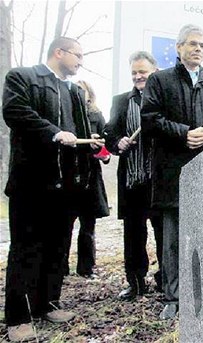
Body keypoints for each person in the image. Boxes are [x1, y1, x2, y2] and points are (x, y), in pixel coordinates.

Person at [2, 37, 103, 342]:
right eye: (77, 55)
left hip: (67, 187)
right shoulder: (23, 77)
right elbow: (15, 112)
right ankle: (18, 318)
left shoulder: (73, 90)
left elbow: (80, 132)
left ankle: (48, 304)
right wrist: (54, 133)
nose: (80, 62)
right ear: (59, 52)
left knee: (58, 248)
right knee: (26, 249)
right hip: (31, 184)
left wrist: (92, 142)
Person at [141, 24, 203, 319]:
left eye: (202, 45)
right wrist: (184, 133)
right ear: (179, 48)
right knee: (173, 239)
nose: (198, 49)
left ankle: (202, 291)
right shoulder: (159, 81)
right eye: (192, 44)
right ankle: (173, 297)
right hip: (172, 173)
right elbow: (150, 119)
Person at [104, 51, 164, 301]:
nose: (139, 76)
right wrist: (118, 142)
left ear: (155, 71)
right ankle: (136, 282)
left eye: (143, 72)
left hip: (159, 182)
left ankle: (165, 280)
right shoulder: (120, 101)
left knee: (163, 233)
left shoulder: (164, 99)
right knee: (133, 234)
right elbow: (109, 133)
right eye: (134, 73)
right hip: (132, 181)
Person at [62, 79, 111, 278]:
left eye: (83, 91)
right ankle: (60, 267)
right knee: (65, 224)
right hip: (69, 175)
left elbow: (106, 150)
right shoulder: (66, 114)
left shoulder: (96, 115)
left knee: (88, 225)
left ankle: (86, 268)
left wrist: (98, 147)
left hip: (90, 176)